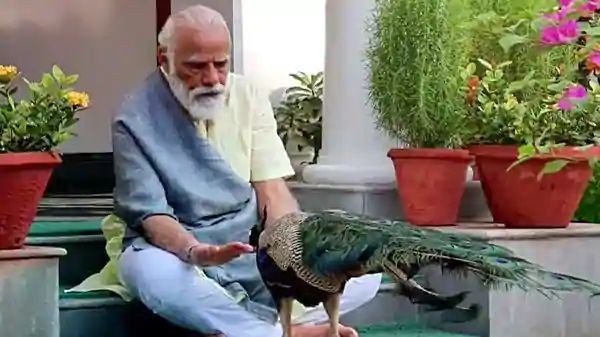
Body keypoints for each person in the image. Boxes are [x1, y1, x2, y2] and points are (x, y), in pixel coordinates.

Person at [76, 4, 381, 337]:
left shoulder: (247, 95)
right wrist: (198, 252)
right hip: (173, 249)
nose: (212, 78)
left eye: (221, 64)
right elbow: (151, 216)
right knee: (154, 275)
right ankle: (286, 332)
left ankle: (250, 330)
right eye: (196, 66)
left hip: (249, 246)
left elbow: (272, 191)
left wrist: (291, 252)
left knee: (365, 267)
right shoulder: (134, 116)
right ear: (165, 60)